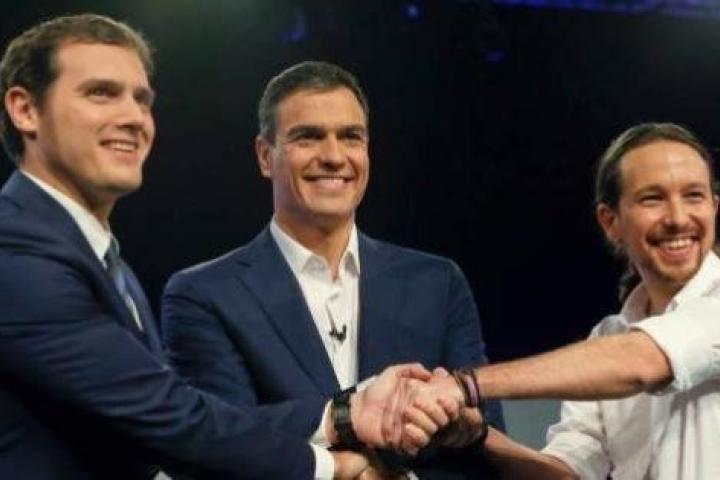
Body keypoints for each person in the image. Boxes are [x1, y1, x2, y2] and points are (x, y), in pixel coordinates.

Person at [0, 14, 429, 479]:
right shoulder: (15, 249)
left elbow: (144, 430)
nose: (133, 118)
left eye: (142, 100)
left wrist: (347, 416)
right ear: (25, 110)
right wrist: (335, 465)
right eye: (100, 93)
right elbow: (167, 416)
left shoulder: (96, 256)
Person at [161, 60, 504, 479]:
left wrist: (454, 435)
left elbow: (487, 444)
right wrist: (344, 422)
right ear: (266, 156)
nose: (333, 156)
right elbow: (214, 442)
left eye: (350, 137)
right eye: (308, 137)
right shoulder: (204, 294)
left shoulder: (437, 283)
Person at [400, 122, 720, 480]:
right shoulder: (607, 338)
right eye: (653, 198)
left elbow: (643, 361)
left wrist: (465, 386)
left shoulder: (627, 351)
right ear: (610, 222)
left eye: (694, 196)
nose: (678, 218)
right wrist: (477, 436)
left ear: (715, 207)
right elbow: (566, 474)